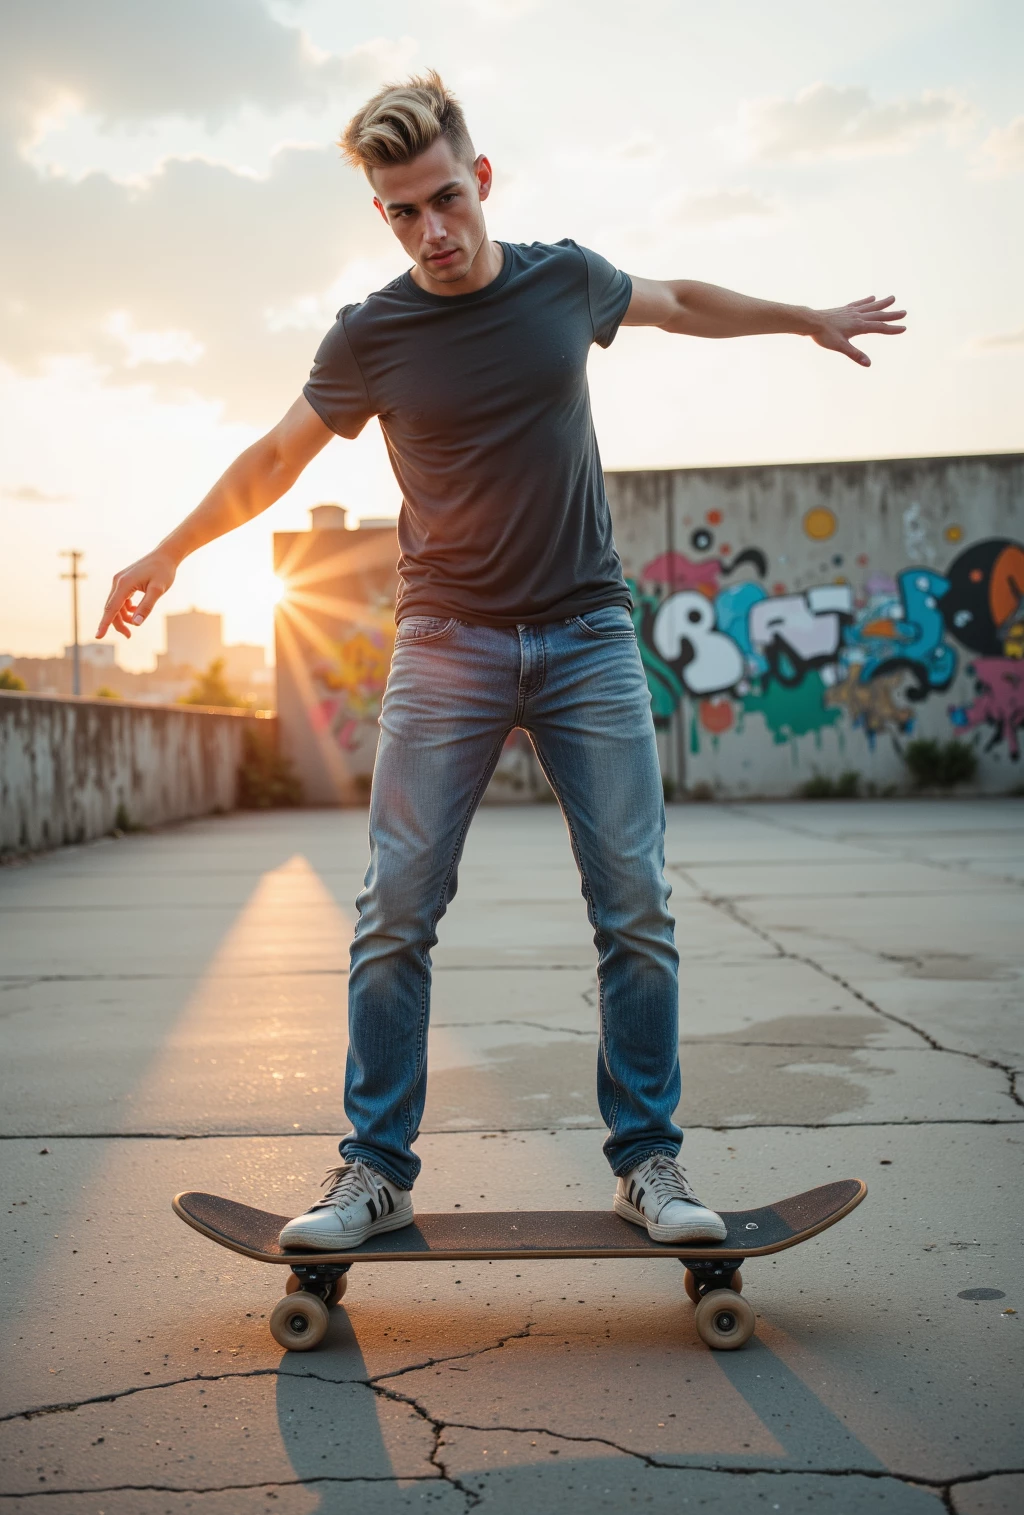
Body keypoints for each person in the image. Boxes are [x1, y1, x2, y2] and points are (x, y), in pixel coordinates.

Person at [97, 72, 905, 1252]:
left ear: (479, 182)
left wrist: (806, 318)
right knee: (395, 914)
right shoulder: (371, 334)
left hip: (587, 635)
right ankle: (374, 1172)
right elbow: (277, 456)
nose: (429, 232)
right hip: (445, 643)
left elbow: (678, 298)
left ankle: (649, 1164)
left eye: (441, 201)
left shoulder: (563, 280)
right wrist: (168, 550)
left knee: (633, 907)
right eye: (400, 214)